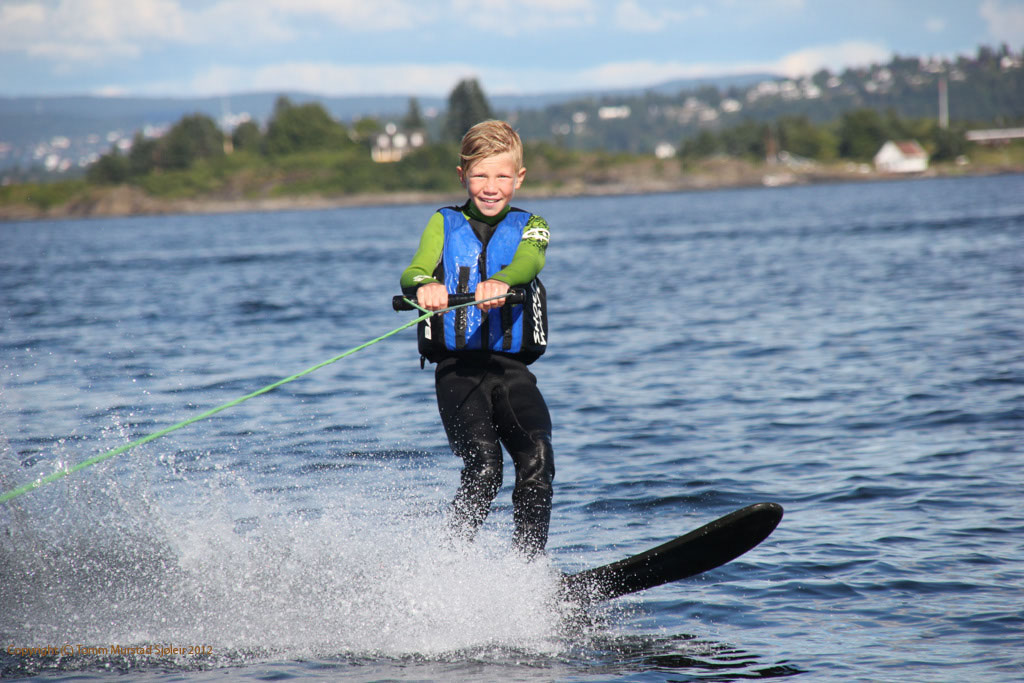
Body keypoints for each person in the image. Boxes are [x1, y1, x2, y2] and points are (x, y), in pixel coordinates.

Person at [400, 120, 553, 558]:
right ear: (462, 175)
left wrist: (503, 281)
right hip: (458, 371)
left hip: (511, 370)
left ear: (519, 178)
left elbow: (530, 262)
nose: (490, 187)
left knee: (538, 457)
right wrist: (425, 286)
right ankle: (449, 562)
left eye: (502, 176)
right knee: (486, 468)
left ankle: (527, 569)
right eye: (480, 175)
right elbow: (413, 271)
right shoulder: (443, 222)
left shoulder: (534, 225)